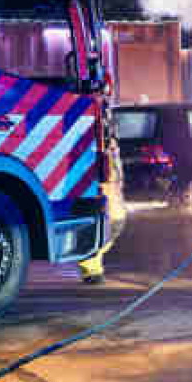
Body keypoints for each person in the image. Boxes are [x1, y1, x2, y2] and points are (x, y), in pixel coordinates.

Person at [79, 115, 127, 284]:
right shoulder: (104, 147)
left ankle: (92, 269)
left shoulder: (107, 147)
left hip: (110, 199)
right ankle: (92, 270)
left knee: (109, 231)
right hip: (109, 200)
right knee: (109, 230)